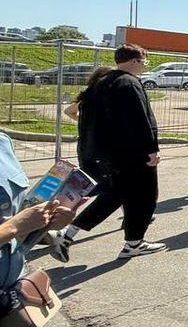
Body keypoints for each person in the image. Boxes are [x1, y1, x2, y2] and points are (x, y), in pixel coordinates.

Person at [45, 45, 166, 261]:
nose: (145, 65)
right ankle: (131, 243)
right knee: (144, 196)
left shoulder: (101, 83)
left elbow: (85, 119)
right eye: (144, 61)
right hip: (133, 153)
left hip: (107, 153)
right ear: (135, 61)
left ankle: (74, 234)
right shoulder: (129, 83)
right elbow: (140, 120)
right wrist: (151, 149)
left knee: (118, 194)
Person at [1, 132, 74, 327]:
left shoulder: (3, 143)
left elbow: (18, 214)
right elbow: (13, 224)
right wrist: (13, 227)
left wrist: (47, 221)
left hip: (10, 294)